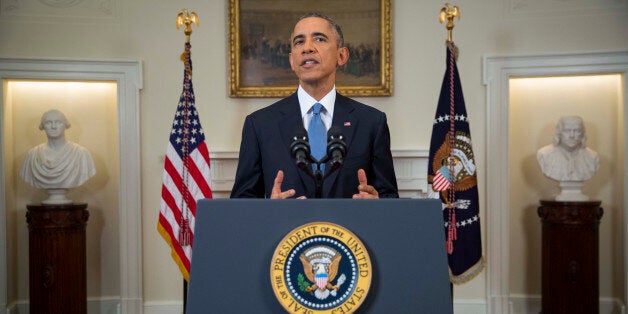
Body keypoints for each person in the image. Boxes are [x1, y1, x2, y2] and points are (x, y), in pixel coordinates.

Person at [230, 13, 398, 199]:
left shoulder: (372, 122)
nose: (307, 48)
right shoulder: (259, 124)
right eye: (299, 42)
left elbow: (389, 198)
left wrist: (377, 203)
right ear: (292, 61)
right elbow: (241, 203)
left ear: (341, 56)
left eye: (319, 39)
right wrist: (270, 209)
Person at [20, 109, 96, 191]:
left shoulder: (81, 153)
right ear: (43, 126)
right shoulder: (32, 155)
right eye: (48, 122)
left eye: (58, 122)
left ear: (65, 125)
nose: (53, 126)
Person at [536, 115, 599, 182]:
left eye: (577, 131)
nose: (572, 135)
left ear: (582, 133)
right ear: (559, 132)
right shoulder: (544, 154)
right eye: (567, 131)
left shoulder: (592, 157)